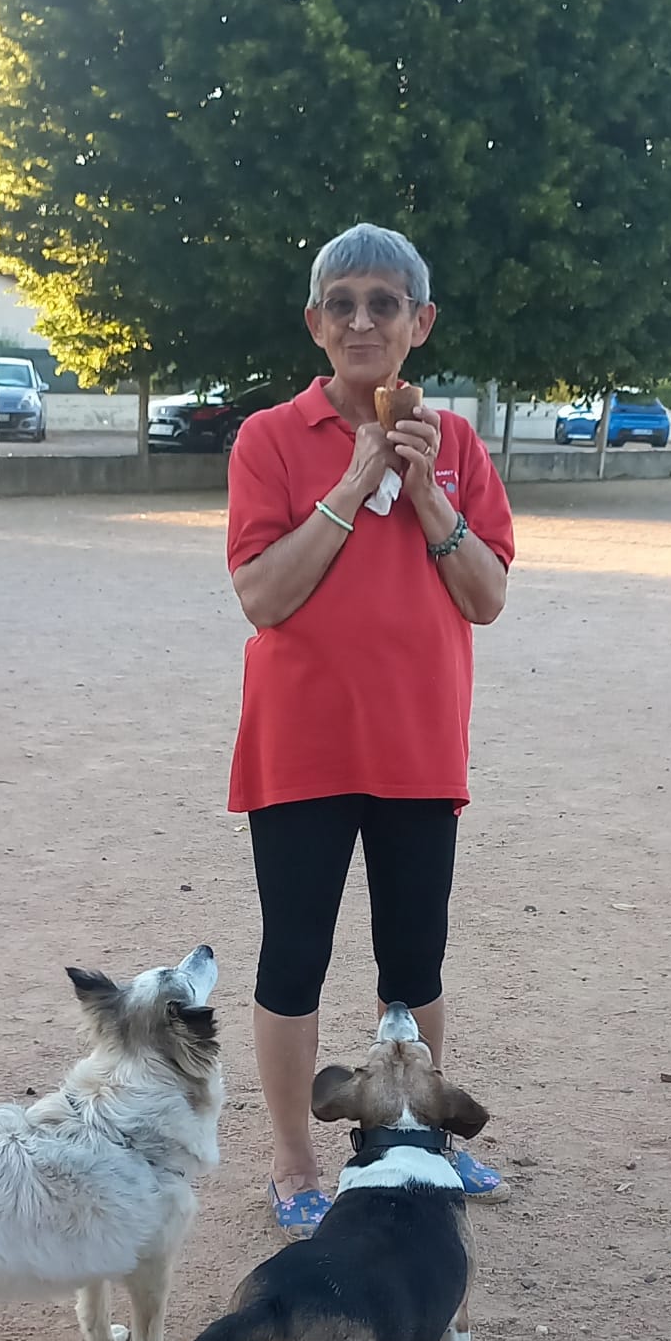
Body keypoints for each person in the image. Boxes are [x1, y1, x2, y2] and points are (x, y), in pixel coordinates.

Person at [226, 223, 515, 1230]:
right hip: (299, 747)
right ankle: (297, 1158)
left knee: (416, 961)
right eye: (341, 302)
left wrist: (428, 489)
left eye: (383, 303)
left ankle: (419, 1142)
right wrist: (353, 479)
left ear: (418, 323)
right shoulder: (269, 438)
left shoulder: (462, 446)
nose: (361, 320)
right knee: (293, 956)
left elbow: (486, 596)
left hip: (417, 743)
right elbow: (263, 594)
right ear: (315, 323)